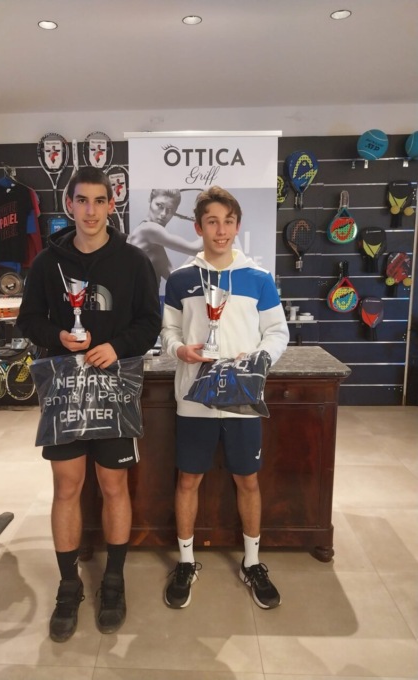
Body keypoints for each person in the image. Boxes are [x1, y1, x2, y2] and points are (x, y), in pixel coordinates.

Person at [16, 167, 160, 640]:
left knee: (114, 485)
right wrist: (57, 335)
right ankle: (69, 585)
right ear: (70, 204)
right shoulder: (47, 263)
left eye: (100, 201)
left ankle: (113, 581)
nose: (91, 210)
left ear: (112, 205)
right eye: (83, 200)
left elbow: (150, 322)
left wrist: (116, 346)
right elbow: (28, 319)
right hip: (65, 388)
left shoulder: (134, 261)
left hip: (115, 386)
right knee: (66, 487)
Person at [161, 185, 289, 611]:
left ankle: (252, 562)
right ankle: (185, 562)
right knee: (188, 479)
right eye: (212, 222)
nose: (221, 230)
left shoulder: (258, 278)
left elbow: (277, 332)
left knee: (247, 480)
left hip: (242, 397)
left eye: (228, 221)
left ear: (237, 226)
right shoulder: (180, 279)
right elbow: (168, 332)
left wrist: (257, 360)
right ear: (198, 227)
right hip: (193, 399)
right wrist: (180, 350)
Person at [128, 189, 203, 289]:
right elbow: (197, 249)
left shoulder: (153, 244)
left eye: (170, 210)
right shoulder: (150, 229)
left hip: (147, 298)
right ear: (150, 200)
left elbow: (174, 278)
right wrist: (207, 224)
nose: (164, 214)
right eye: (159, 205)